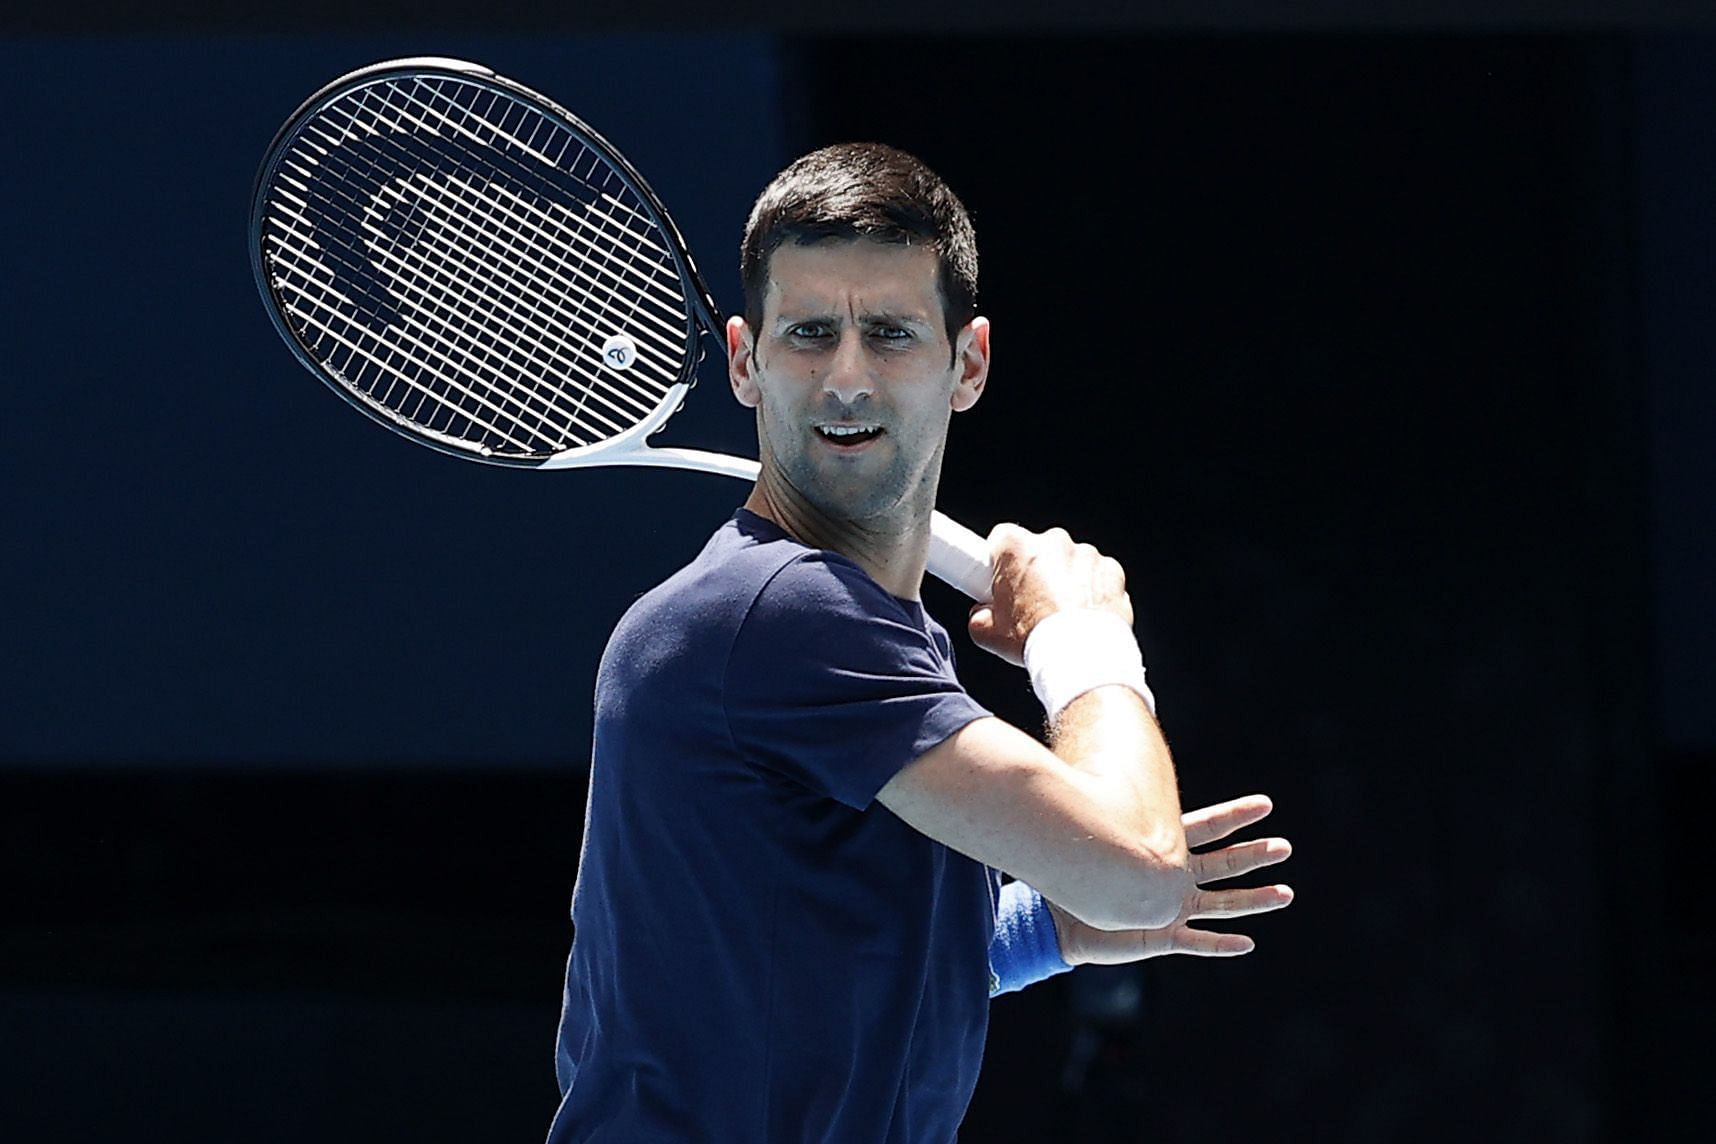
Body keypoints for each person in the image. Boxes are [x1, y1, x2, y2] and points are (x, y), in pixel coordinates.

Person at [546, 143, 1293, 1143]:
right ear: (743, 360)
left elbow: (808, 967)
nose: (847, 377)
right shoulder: (775, 613)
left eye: (890, 334)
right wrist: (1083, 640)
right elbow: (1146, 863)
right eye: (809, 334)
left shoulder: (862, 637)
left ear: (967, 363)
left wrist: (1050, 925)